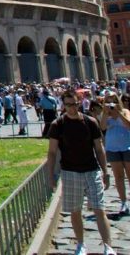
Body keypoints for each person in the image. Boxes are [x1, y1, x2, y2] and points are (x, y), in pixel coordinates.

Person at [47, 90, 117, 255]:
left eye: (74, 104)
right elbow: (52, 152)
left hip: (91, 170)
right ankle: (81, 244)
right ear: (63, 105)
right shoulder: (58, 125)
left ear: (79, 103)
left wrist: (105, 171)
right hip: (70, 171)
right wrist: (51, 175)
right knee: (75, 210)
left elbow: (99, 149)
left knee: (100, 208)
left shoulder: (90, 122)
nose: (72, 108)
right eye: (68, 104)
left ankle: (108, 246)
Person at [101, 91, 130, 216]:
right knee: (118, 177)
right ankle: (124, 202)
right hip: (112, 148)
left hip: (126, 147)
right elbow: (102, 127)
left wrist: (118, 113)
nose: (110, 103)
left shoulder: (125, 112)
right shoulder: (105, 115)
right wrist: (105, 113)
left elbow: (128, 124)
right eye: (108, 101)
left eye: (113, 101)